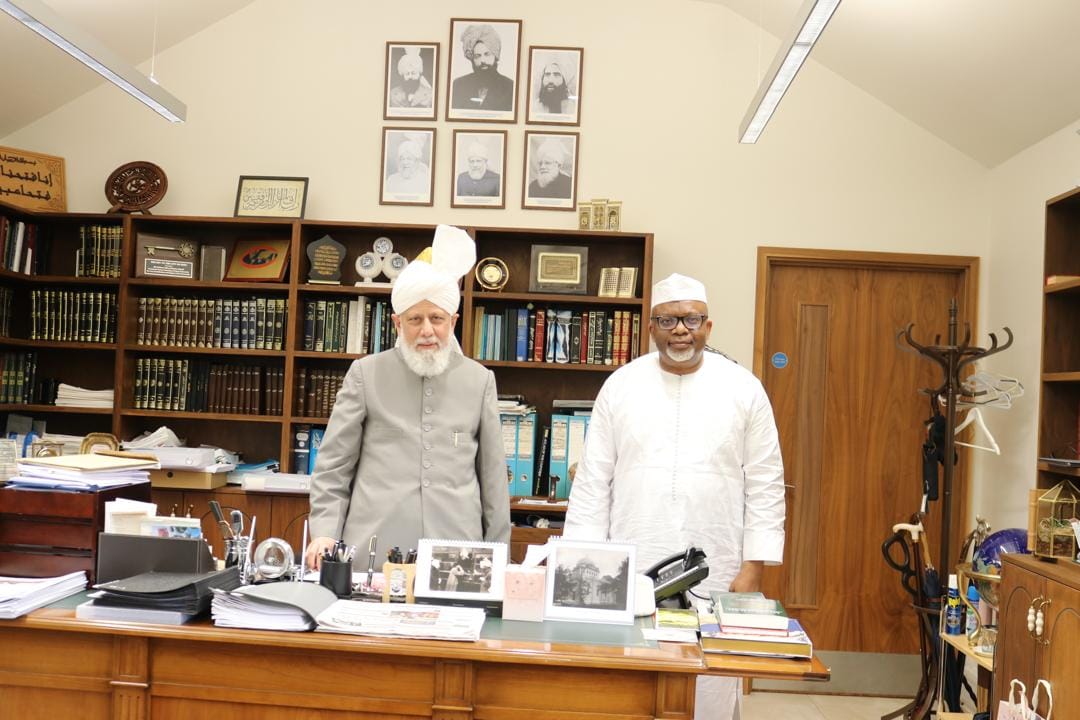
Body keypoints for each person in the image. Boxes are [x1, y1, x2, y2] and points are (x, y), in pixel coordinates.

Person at [563, 272, 786, 720]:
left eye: (690, 319)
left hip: (717, 560)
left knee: (709, 682)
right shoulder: (620, 386)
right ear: (650, 327)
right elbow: (593, 479)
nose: (680, 330)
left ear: (708, 325)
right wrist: (582, 563)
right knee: (631, 680)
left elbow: (766, 480)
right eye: (667, 320)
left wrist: (753, 566)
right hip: (630, 554)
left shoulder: (745, 389)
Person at [306, 225, 511, 570]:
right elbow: (333, 467)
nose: (427, 330)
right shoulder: (365, 374)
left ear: (453, 322)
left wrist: (498, 554)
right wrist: (325, 532)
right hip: (372, 549)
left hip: (458, 553)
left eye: (437, 319)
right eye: (415, 319)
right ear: (397, 323)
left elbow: (492, 480)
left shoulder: (480, 381)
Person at [451, 24, 514, 111]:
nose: (482, 61)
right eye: (477, 56)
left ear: (495, 56)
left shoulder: (510, 87)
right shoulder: (458, 85)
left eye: (487, 54)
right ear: (472, 59)